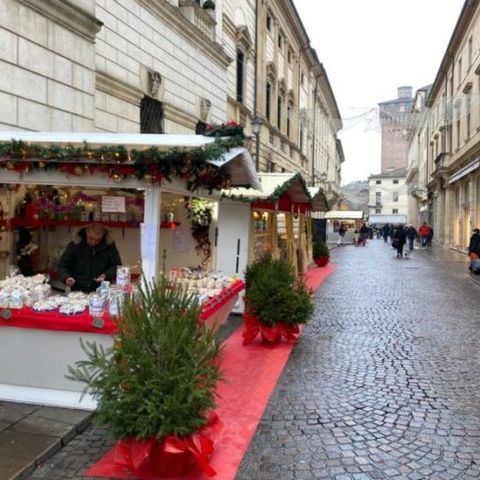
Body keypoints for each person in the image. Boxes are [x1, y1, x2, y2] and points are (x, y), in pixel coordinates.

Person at [58, 224, 122, 293]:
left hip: (102, 291)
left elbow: (117, 266)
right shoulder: (75, 244)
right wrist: (66, 278)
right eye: (90, 238)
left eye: (97, 240)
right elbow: (62, 266)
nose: (93, 242)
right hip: (78, 292)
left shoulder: (109, 245)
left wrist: (106, 275)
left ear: (103, 235)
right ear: (86, 232)